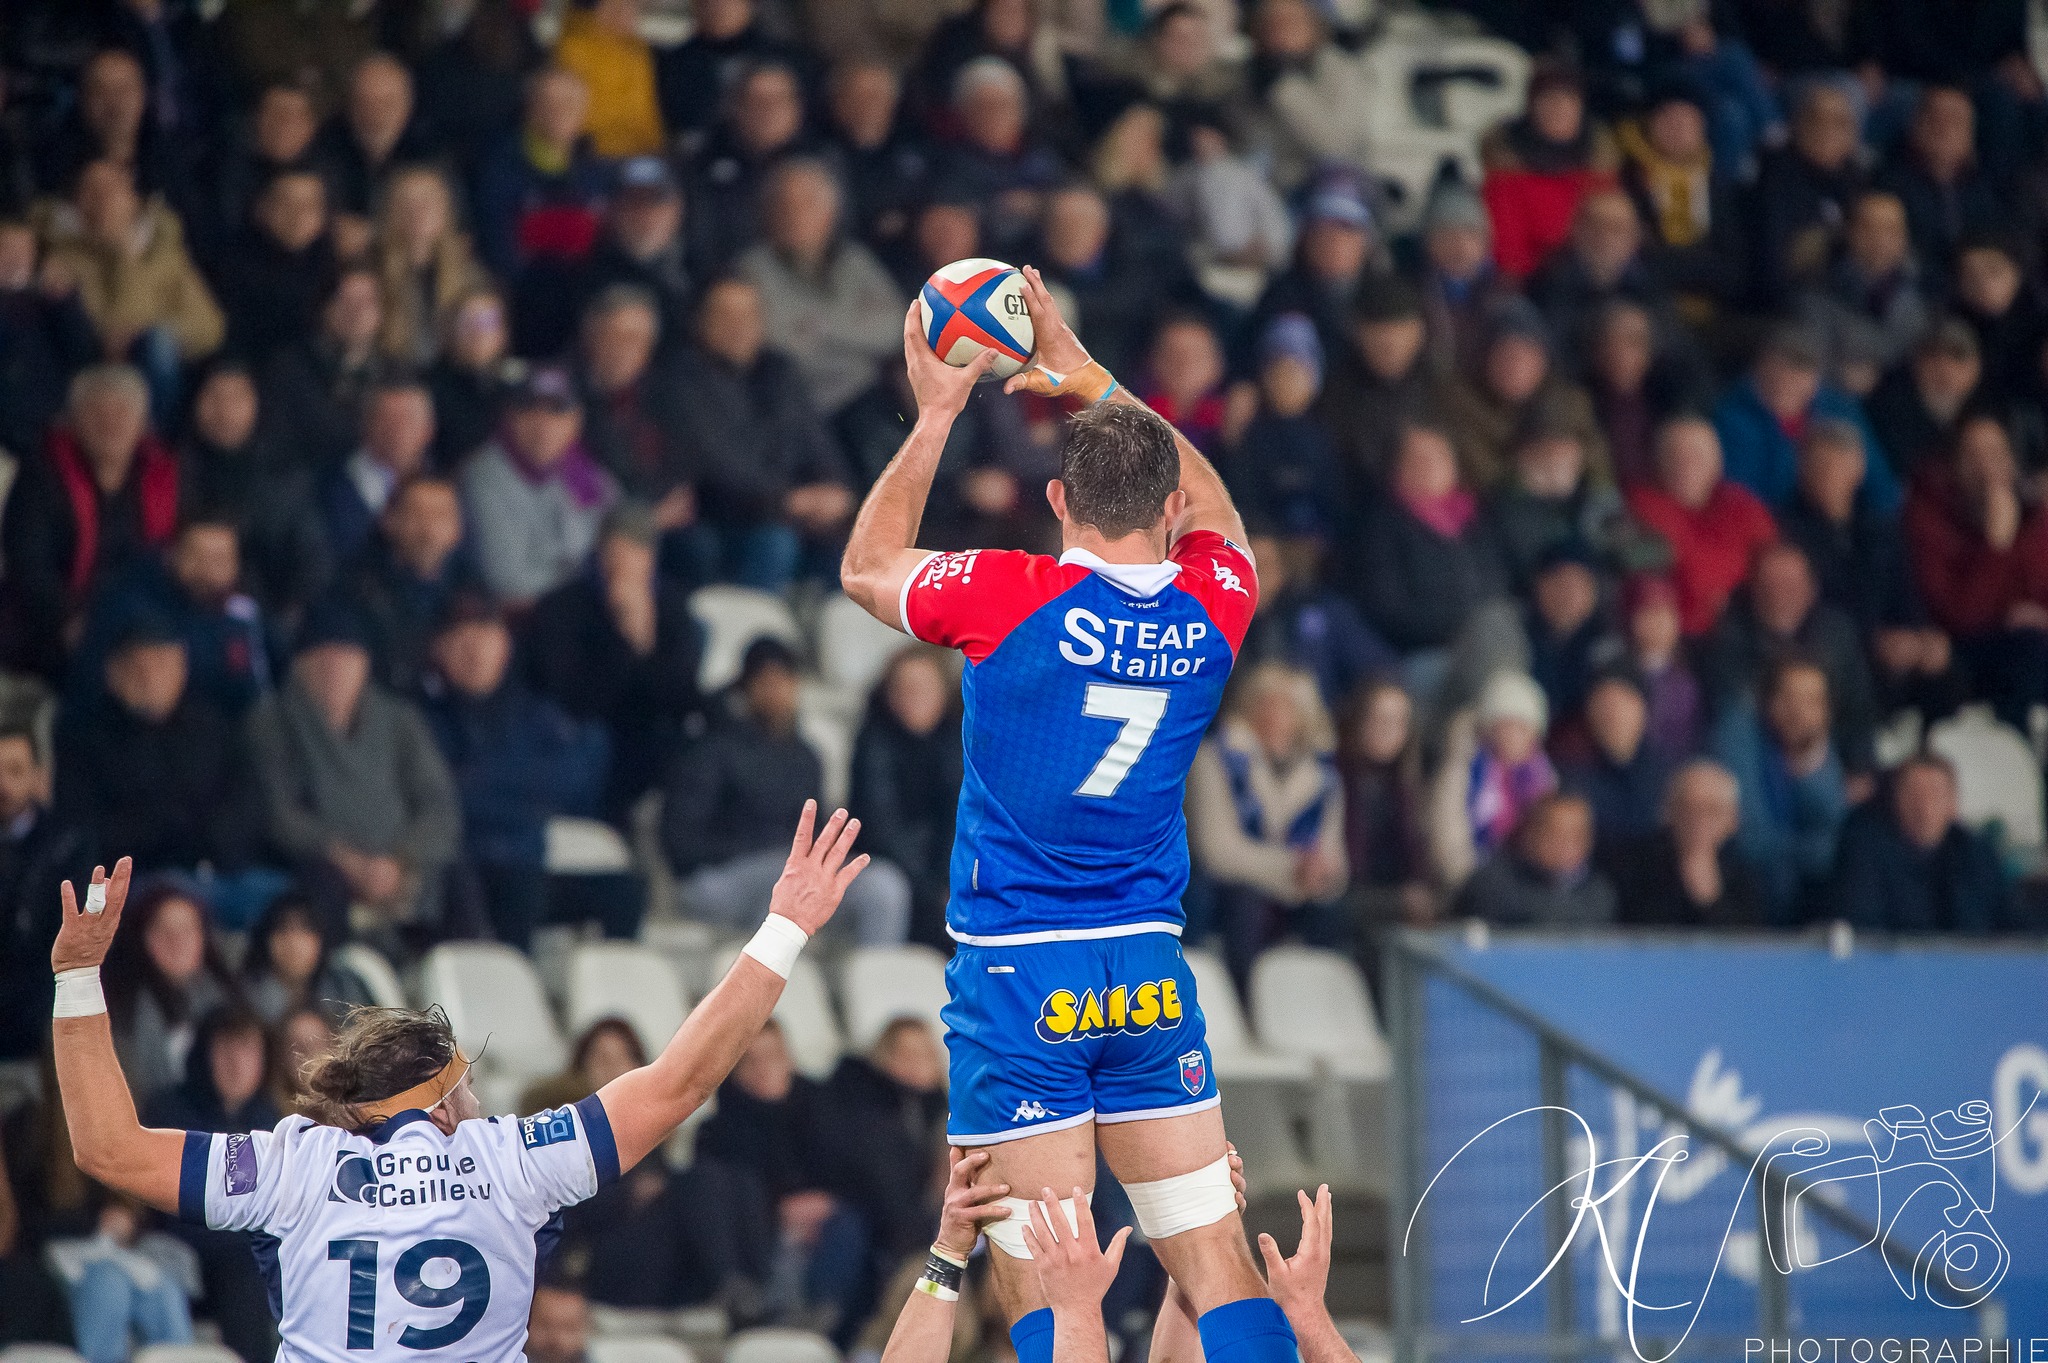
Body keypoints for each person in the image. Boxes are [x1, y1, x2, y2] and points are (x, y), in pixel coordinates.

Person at [839, 267, 1299, 1363]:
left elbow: (864, 568)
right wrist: (1082, 367)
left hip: (1017, 973)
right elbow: (1225, 511)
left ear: (1056, 503)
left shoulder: (1009, 595)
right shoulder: (1211, 604)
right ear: (1171, 511)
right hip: (1144, 964)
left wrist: (939, 413)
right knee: (1216, 1264)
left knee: (1049, 1284)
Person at [45, 803, 872, 1363]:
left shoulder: (288, 1166)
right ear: (440, 1103)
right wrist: (786, 926)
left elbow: (106, 1146)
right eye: (467, 1089)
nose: (477, 1103)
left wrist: (81, 978)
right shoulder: (510, 1159)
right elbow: (682, 1082)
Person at [420, 594, 634, 951]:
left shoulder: (530, 711)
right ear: (437, 648)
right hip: (462, 873)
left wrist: (484, 782)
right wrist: (518, 790)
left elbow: (575, 778)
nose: (474, 653)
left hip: (526, 861)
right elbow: (444, 798)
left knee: (625, 892)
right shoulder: (423, 718)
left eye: (485, 637)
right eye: (461, 640)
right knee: (515, 886)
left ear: (505, 645)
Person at [664, 638, 911, 946]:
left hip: (788, 870)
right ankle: (762, 987)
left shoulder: (807, 757)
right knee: (784, 879)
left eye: (785, 681)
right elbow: (681, 842)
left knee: (884, 885)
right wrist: (763, 850)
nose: (777, 692)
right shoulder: (711, 750)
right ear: (746, 688)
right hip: (717, 878)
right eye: (767, 682)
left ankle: (876, 989)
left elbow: (817, 834)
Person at [244, 605, 463, 943]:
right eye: (322, 658)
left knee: (460, 877)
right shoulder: (272, 721)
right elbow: (280, 814)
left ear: (364, 665)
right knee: (318, 886)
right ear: (300, 664)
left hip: (402, 866)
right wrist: (351, 863)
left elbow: (438, 804)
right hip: (323, 866)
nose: (334, 670)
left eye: (346, 658)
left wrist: (401, 861)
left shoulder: (400, 720)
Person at [54, 619, 265, 892]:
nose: (153, 679)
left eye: (165, 665)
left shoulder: (212, 728)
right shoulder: (85, 740)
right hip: (134, 881)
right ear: (114, 672)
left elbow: (248, 799)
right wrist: (166, 831)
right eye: (141, 668)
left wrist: (213, 841)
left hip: (220, 874)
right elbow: (84, 828)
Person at [0, 364, 181, 681]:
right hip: (57, 622)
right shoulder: (42, 476)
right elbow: (29, 565)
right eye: (96, 411)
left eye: (122, 412)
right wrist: (72, 620)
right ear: (74, 421)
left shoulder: (162, 475)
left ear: (142, 424)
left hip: (142, 618)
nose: (110, 423)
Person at [1186, 663, 1349, 983]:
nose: (1275, 719)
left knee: (1333, 910)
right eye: (1266, 707)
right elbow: (1218, 851)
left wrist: (1321, 873)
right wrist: (1293, 868)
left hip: (1298, 893)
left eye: (1287, 709)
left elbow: (1333, 859)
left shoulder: (1323, 778)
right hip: (1229, 889)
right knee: (1244, 904)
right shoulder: (1215, 758)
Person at [141, 1005, 282, 1363]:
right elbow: (169, 1207)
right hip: (181, 1254)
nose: (237, 1064)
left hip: (252, 1253)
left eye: (248, 1050)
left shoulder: (271, 1119)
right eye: (226, 1050)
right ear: (204, 1053)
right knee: (246, 1267)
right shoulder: (168, 1112)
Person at [1903, 412, 2048, 729]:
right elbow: (1961, 617)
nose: (1986, 467)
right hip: (1964, 651)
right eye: (1973, 455)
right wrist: (1996, 545)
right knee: (2027, 653)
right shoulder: (1928, 518)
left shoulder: (2036, 515)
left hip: (2031, 640)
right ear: (1954, 465)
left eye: (1995, 454)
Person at [459, 364, 618, 608]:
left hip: (584, 601)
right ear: (509, 417)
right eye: (529, 409)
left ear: (576, 421)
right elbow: (509, 582)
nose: (543, 424)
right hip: (517, 616)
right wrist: (591, 580)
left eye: (557, 410)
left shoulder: (581, 467)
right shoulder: (484, 475)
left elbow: (624, 533)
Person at [1710, 655, 1850, 923]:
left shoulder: (1817, 744)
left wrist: (1805, 768)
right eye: (1790, 698)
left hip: (1799, 883)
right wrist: (1809, 850)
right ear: (1767, 701)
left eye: (1813, 702)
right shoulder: (1737, 734)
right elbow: (1749, 840)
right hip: (1744, 881)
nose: (1801, 711)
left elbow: (1833, 832)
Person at [1624, 416, 1778, 638]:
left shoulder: (1744, 507)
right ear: (1657, 463)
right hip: (1671, 637)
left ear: (1717, 463)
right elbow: (1687, 572)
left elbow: (1772, 563)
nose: (1685, 466)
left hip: (1744, 629)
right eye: (1674, 456)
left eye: (1696, 457)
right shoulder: (1640, 506)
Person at [851, 647, 965, 948]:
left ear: (944, 693)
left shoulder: (958, 743)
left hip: (941, 877)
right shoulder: (873, 742)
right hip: (892, 870)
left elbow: (960, 820)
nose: (913, 697)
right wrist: (934, 891)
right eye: (904, 688)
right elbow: (881, 830)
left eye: (924, 688)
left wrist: (950, 881)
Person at [331, 475, 482, 697]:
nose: (429, 531)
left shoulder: (473, 590)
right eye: (416, 515)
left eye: (440, 517)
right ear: (389, 520)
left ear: (457, 529)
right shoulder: (357, 588)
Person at [1828, 754, 2013, 933]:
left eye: (1935, 794)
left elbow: (2010, 927)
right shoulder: (1865, 850)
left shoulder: (1976, 855)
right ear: (1896, 800)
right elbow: (1862, 926)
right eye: (1914, 794)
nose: (1924, 807)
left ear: (1953, 803)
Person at [101, 878, 242, 1104]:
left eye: (186, 929)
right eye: (162, 929)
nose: (176, 941)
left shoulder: (230, 1003)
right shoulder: (114, 1009)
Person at [0, 726, 93, 1063]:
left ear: (38, 776)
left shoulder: (68, 846)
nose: (3, 786)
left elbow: (62, 944)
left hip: (36, 1005)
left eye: (14, 771)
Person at [1428, 670, 1559, 888]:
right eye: (1505, 725)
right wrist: (1469, 882)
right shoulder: (1462, 766)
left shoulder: (1543, 776)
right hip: (1473, 878)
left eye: (1521, 727)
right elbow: (1447, 831)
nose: (1512, 735)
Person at [1610, 758, 1763, 927]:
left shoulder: (1748, 871)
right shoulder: (1636, 866)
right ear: (1668, 812)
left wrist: (1710, 899)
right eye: (1688, 808)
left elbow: (1747, 944)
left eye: (1711, 810)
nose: (1699, 821)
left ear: (1733, 821)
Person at [1335, 681, 1433, 926]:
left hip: (1391, 895)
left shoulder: (1405, 785)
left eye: (1399, 723)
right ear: (1358, 721)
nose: (1389, 731)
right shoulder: (1333, 774)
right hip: (1341, 894)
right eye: (1380, 720)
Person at [321, 376, 438, 568]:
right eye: (387, 419)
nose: (398, 431)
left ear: (429, 430)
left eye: (408, 420)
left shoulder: (444, 486)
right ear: (365, 425)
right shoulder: (332, 487)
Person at [1454, 792, 1616, 926]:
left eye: (1577, 835)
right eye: (1556, 835)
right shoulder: (1492, 886)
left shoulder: (1599, 895)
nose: (1567, 845)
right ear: (1531, 835)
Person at [1560, 668, 1671, 858]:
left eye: (1623, 702)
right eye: (1604, 704)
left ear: (1644, 708)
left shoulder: (1667, 775)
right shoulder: (1570, 776)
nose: (1614, 714)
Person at [240, 894, 375, 1025]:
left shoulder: (344, 988)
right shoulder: (246, 998)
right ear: (266, 940)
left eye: (305, 929)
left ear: (322, 939)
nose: (293, 942)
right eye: (282, 929)